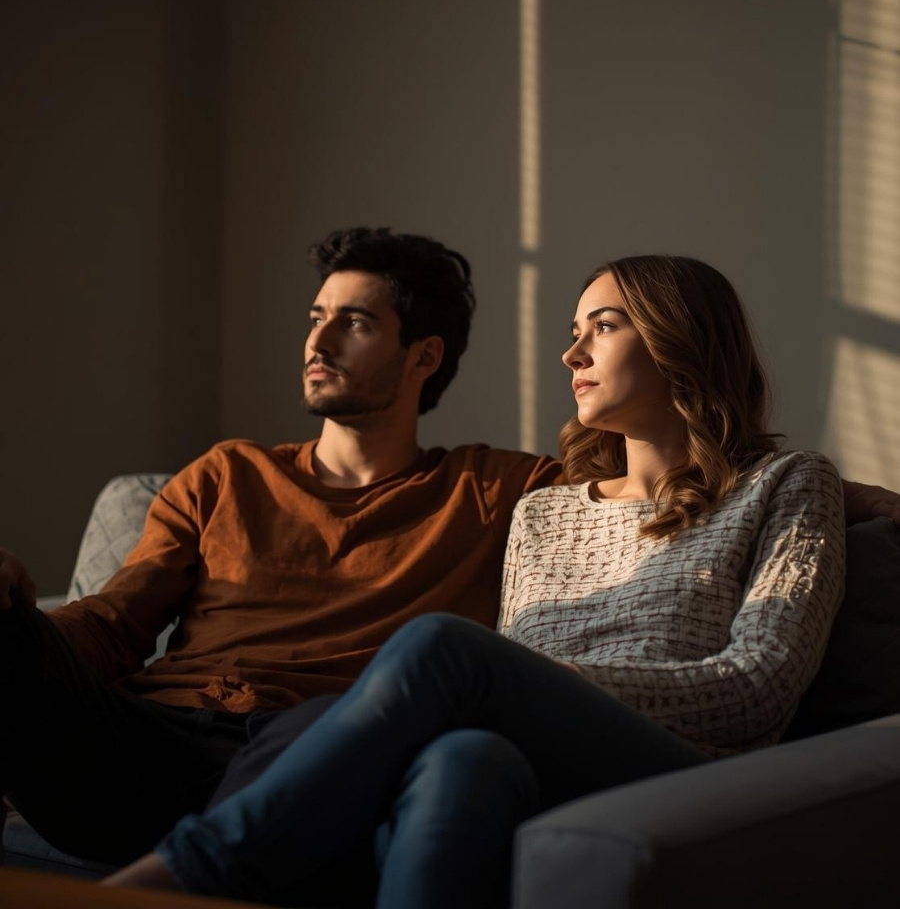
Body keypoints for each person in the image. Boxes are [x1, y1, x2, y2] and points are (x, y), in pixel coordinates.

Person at [106, 254, 848, 909]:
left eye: (604, 326)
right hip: (544, 751)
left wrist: (553, 682)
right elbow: (511, 681)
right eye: (573, 328)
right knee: (464, 758)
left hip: (691, 767)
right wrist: (530, 685)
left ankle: (187, 876)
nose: (571, 352)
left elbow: (760, 684)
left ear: (680, 339)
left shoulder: (785, 483)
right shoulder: (543, 512)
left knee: (441, 647)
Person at [0, 228, 559, 870]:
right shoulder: (227, 474)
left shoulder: (488, 490)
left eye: (354, 323)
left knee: (330, 725)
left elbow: (640, 472)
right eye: (316, 318)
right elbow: (113, 623)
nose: (318, 342)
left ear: (423, 357)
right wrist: (20, 622)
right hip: (141, 743)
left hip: (309, 754)